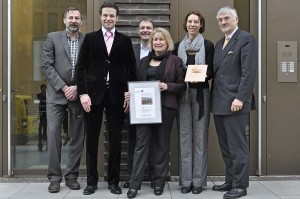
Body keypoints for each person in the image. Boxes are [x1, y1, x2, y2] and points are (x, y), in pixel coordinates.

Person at [76, 2, 136, 195]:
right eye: (105, 15)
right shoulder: (91, 39)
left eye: (112, 16)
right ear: (100, 17)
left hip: (117, 95)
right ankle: (92, 181)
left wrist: (130, 92)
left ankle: (113, 180)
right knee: (92, 139)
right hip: (93, 95)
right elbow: (81, 68)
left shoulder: (125, 41)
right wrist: (83, 93)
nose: (108, 18)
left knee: (116, 139)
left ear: (117, 18)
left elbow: (131, 70)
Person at [125, 27, 186, 198]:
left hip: (166, 108)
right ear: (151, 43)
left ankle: (158, 182)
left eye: (161, 39)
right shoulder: (143, 61)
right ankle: (134, 184)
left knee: (161, 145)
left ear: (167, 42)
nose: (158, 42)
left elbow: (183, 85)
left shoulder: (175, 61)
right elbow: (134, 82)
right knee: (140, 145)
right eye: (155, 40)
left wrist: (168, 86)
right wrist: (129, 93)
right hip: (144, 109)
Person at [211, 6, 257, 199]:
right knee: (226, 147)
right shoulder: (220, 42)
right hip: (219, 103)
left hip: (235, 103)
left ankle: (240, 185)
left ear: (236, 19)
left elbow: (248, 72)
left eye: (227, 18)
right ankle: (230, 180)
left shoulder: (246, 39)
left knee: (238, 147)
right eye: (220, 19)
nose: (223, 22)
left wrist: (240, 98)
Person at [41, 7, 85, 193]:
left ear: (81, 21)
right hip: (57, 94)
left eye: (77, 18)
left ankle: (72, 176)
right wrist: (65, 87)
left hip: (79, 94)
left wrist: (78, 88)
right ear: (64, 20)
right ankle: (54, 178)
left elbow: (91, 67)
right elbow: (46, 65)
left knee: (77, 137)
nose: (74, 20)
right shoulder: (52, 38)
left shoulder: (87, 40)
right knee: (53, 135)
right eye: (71, 18)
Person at [173, 11, 214, 194]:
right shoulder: (177, 46)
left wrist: (202, 75)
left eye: (196, 22)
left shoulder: (207, 45)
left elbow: (211, 70)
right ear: (186, 24)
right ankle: (186, 181)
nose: (192, 24)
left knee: (200, 138)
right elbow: (174, 70)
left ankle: (198, 182)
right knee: (184, 137)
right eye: (190, 21)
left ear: (201, 24)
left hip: (201, 93)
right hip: (183, 95)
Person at [123, 17, 156, 189]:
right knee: (133, 140)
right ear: (138, 31)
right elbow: (124, 72)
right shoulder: (131, 49)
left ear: (153, 30)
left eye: (148, 28)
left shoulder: (159, 49)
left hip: (154, 103)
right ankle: (132, 176)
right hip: (134, 102)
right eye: (142, 28)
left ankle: (153, 176)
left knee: (154, 140)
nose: (145, 30)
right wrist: (126, 93)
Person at [37, 84, 47, 152]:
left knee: (46, 129)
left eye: (45, 88)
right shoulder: (39, 95)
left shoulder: (47, 95)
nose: (44, 89)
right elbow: (40, 99)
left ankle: (46, 143)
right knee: (40, 130)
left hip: (46, 114)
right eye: (43, 88)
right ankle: (40, 145)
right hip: (41, 114)